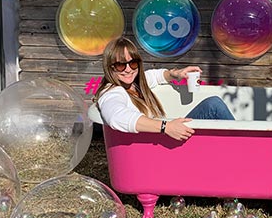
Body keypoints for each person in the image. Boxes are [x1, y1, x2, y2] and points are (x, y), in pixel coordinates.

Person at [95, 36, 234, 141]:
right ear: (110, 67)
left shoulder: (135, 83)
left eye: (133, 63)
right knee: (213, 105)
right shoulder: (112, 93)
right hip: (158, 144)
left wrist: (176, 74)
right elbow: (116, 117)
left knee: (213, 103)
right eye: (120, 65)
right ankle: (242, 146)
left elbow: (155, 76)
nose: (128, 70)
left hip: (164, 138)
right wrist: (165, 127)